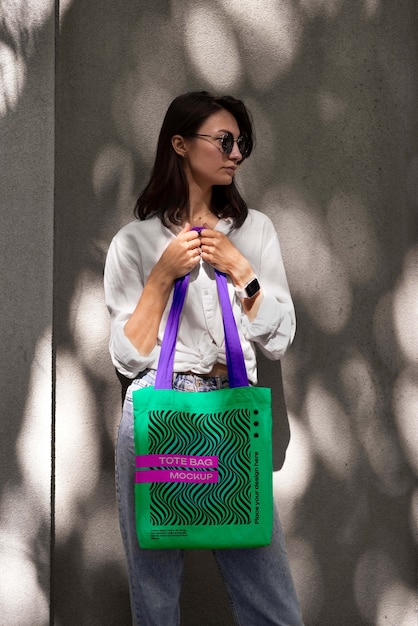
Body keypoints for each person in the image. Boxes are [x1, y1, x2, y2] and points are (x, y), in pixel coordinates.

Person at [104, 91, 304, 626]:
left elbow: (279, 339)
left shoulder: (254, 231)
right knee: (155, 601)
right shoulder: (134, 243)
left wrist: (242, 270)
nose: (235, 153)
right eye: (223, 140)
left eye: (241, 143)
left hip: (229, 414)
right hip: (158, 413)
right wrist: (162, 277)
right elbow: (127, 359)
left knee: (273, 607)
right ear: (179, 144)